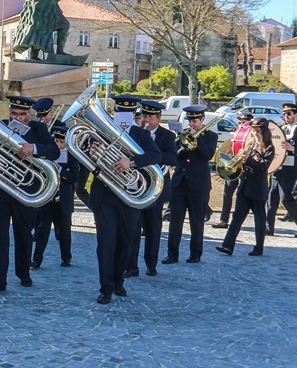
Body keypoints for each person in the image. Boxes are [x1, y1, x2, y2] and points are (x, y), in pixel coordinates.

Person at [90, 95, 160, 304]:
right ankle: (106, 287)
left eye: (127, 114)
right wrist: (92, 152)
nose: (123, 117)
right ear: (115, 112)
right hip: (105, 196)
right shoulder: (102, 132)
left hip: (129, 197)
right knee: (106, 243)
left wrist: (131, 162)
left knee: (125, 243)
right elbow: (86, 157)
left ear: (133, 115)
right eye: (120, 112)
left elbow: (156, 156)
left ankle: (118, 280)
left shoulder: (141, 134)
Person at [0, 96, 59, 294]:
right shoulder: (0, 127)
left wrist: (33, 148)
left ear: (29, 114)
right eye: (15, 114)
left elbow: (54, 152)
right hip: (2, 190)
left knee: (23, 235)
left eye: (23, 114)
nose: (18, 117)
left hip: (27, 190)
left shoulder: (38, 129)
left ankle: (23, 273)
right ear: (9, 113)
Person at [126, 100, 178, 277]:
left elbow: (173, 159)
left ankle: (151, 264)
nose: (147, 120)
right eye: (144, 116)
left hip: (156, 188)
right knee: (133, 229)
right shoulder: (135, 134)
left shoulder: (167, 136)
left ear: (159, 118)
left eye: (151, 117)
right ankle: (131, 266)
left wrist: (151, 154)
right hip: (137, 186)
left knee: (153, 230)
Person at [162, 104, 217, 265]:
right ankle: (172, 254)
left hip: (198, 185)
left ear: (202, 120)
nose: (191, 124)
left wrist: (197, 138)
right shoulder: (182, 135)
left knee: (196, 221)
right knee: (175, 221)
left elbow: (207, 155)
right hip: (179, 183)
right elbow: (174, 158)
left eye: (194, 121)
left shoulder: (211, 136)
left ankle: (195, 253)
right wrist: (180, 141)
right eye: (189, 121)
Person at [216, 117, 275, 256]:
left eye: (257, 131)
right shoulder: (252, 145)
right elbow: (245, 164)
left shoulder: (270, 149)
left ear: (264, 132)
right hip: (245, 187)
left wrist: (248, 158)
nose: (255, 134)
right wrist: (238, 160)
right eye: (254, 131)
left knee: (259, 220)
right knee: (237, 217)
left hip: (258, 189)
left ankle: (258, 248)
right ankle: (227, 246)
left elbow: (263, 167)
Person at [31, 125, 79, 268]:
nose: (58, 144)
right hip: (48, 199)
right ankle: (37, 259)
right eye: (56, 141)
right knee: (42, 231)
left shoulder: (72, 157)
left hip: (63, 200)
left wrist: (60, 169)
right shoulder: (48, 154)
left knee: (65, 232)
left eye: (61, 142)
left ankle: (66, 257)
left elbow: (74, 177)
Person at [265, 103, 297, 238]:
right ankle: (269, 227)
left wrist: (294, 149)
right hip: (277, 167)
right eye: (284, 114)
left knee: (286, 199)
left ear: (296, 115)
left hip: (290, 169)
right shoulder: (281, 129)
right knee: (271, 198)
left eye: (289, 114)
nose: (286, 116)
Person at [213, 112, 253, 230]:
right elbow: (231, 146)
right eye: (240, 122)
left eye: (244, 122)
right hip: (234, 165)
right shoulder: (237, 132)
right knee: (227, 193)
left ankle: (238, 220)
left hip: (245, 168)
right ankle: (223, 220)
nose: (241, 124)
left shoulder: (253, 134)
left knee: (243, 196)